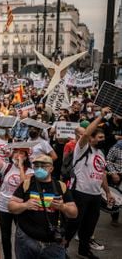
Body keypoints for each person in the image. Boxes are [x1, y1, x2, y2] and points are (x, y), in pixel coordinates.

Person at [66, 107, 116, 259]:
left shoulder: (100, 153)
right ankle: (62, 249)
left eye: (103, 137)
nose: (103, 140)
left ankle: (83, 250)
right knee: (72, 224)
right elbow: (86, 132)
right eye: (99, 137)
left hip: (95, 195)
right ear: (91, 139)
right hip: (79, 193)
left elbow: (101, 175)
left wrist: (107, 192)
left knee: (89, 226)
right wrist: (101, 115)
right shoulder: (82, 148)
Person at [8, 155, 78, 259]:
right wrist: (25, 205)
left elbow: (74, 213)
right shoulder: (27, 184)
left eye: (43, 166)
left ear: (51, 169)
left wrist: (63, 207)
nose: (39, 169)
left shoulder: (61, 186)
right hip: (27, 240)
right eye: (36, 166)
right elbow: (11, 206)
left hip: (53, 244)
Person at [0, 138, 34, 259]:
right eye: (16, 152)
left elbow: (25, 185)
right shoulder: (7, 166)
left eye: (21, 153)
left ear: (26, 156)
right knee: (5, 236)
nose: (18, 155)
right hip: (3, 207)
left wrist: (20, 167)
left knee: (21, 236)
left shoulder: (30, 171)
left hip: (19, 207)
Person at [106, 140, 122, 226]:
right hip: (118, 176)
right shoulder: (117, 147)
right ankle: (114, 218)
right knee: (116, 199)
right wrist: (114, 173)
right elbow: (108, 161)